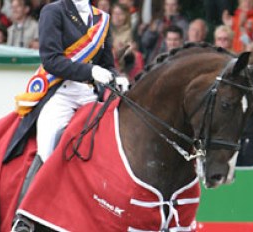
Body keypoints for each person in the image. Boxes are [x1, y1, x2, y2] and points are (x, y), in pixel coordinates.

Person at [12, 0, 117, 223]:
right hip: (61, 92)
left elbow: (108, 64)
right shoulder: (54, 11)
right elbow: (51, 60)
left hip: (90, 95)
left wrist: (115, 78)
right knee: (47, 143)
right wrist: (90, 70)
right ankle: (25, 216)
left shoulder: (102, 19)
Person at [140, 0, 188, 64]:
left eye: (173, 5)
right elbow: (145, 43)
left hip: (169, 60)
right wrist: (152, 31)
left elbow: (182, 43)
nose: (170, 8)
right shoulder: (158, 21)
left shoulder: (182, 23)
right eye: (167, 5)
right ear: (164, 6)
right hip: (152, 60)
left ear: (178, 7)